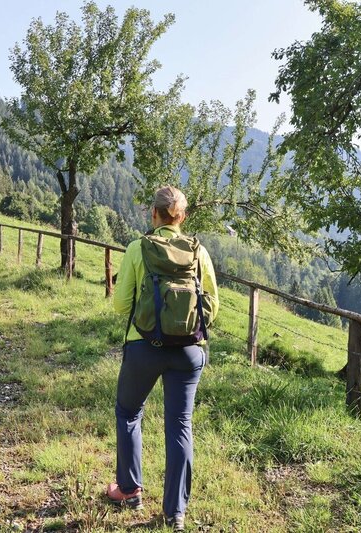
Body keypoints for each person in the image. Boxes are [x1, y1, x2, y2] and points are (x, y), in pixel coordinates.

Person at [106, 186, 219, 531]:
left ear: (153, 214)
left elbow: (122, 305)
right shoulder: (199, 253)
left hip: (143, 347)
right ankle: (175, 514)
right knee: (180, 425)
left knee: (128, 412)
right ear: (182, 217)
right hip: (188, 353)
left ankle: (129, 490)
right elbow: (212, 307)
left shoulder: (138, 249)